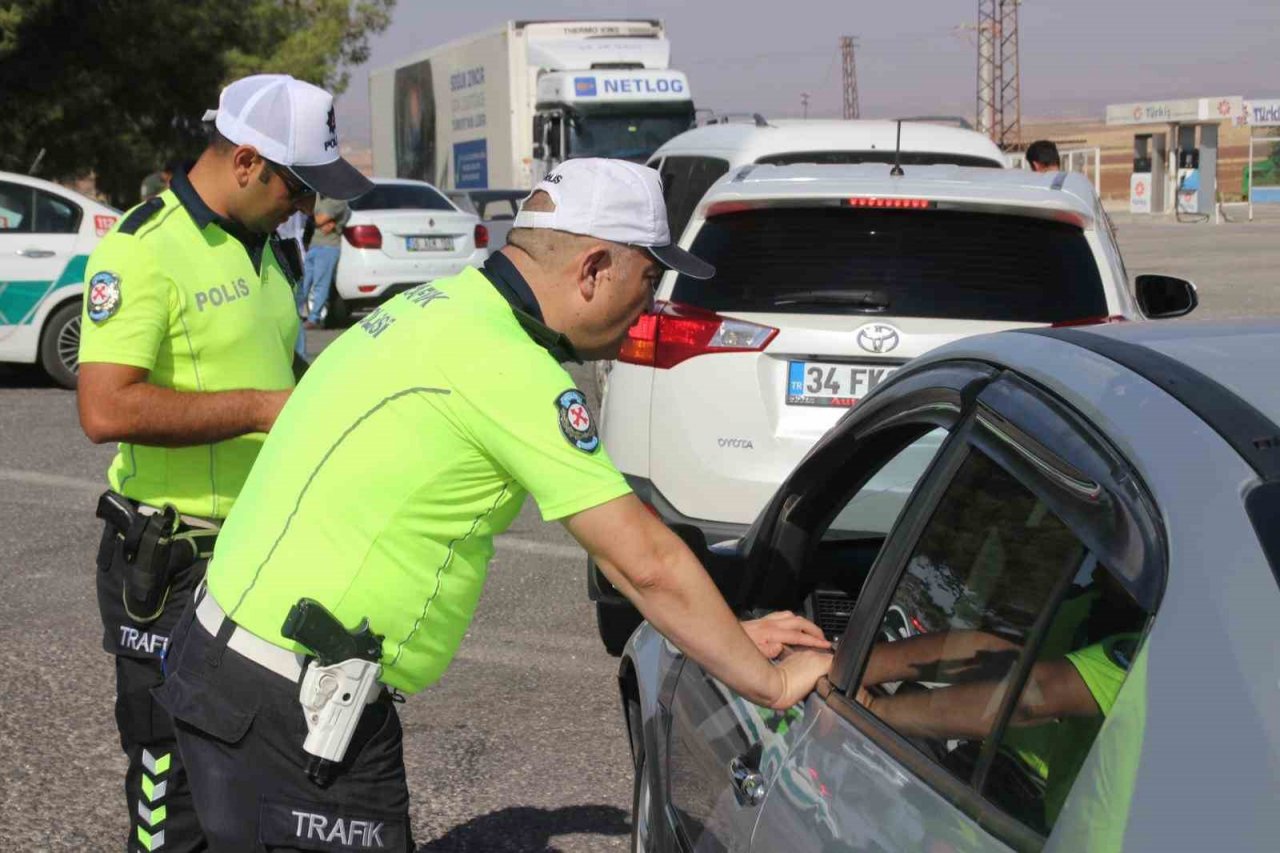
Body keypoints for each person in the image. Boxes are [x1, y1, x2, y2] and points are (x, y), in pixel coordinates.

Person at [154, 158, 833, 850]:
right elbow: (644, 561)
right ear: (593, 268)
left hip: (218, 659)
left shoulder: (437, 306)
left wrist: (722, 631)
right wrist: (771, 682)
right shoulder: (509, 364)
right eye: (648, 280)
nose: (649, 308)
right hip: (290, 707)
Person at [77, 73, 372, 852]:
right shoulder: (142, 249)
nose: (308, 210)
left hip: (260, 556)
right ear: (247, 162)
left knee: (260, 773)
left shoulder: (269, 248)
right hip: (170, 565)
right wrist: (259, 410)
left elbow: (285, 378)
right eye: (300, 188)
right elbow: (104, 408)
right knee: (171, 787)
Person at [296, 194, 350, 330]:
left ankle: (314, 318)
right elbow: (308, 212)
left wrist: (318, 220)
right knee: (303, 282)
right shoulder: (319, 198)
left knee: (321, 283)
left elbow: (320, 219)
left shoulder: (338, 200)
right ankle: (294, 313)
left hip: (329, 246)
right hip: (314, 245)